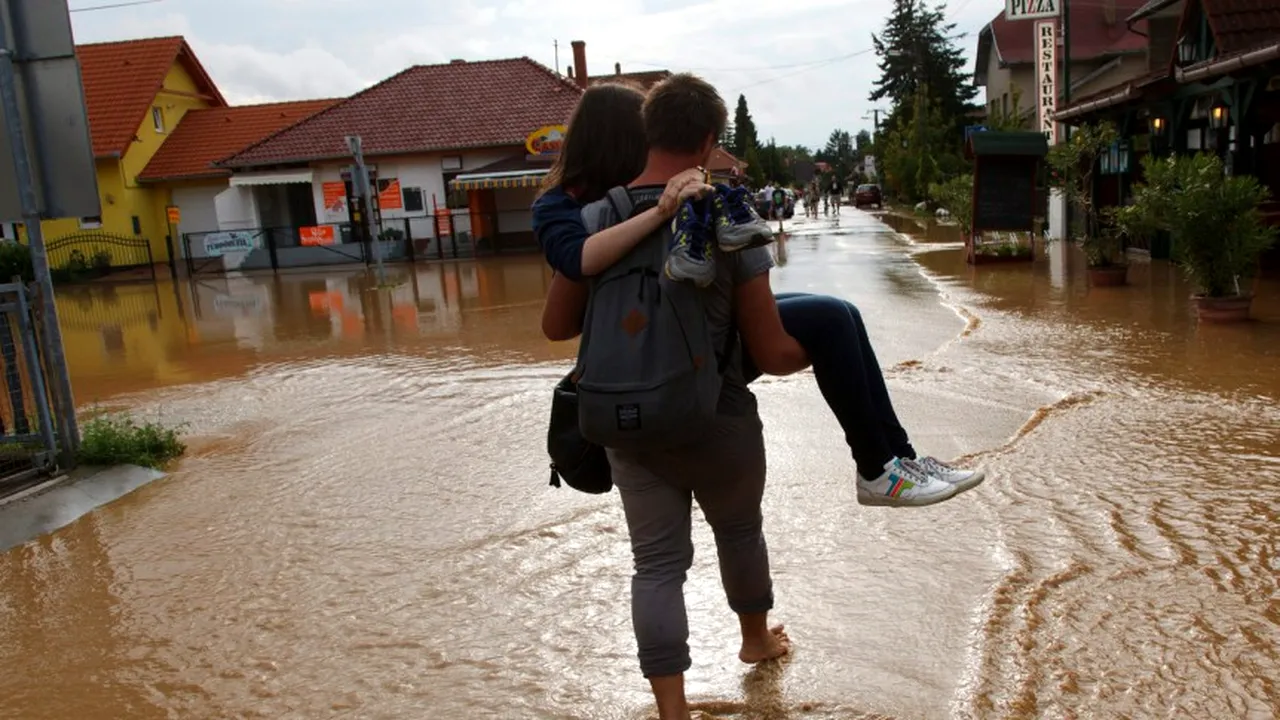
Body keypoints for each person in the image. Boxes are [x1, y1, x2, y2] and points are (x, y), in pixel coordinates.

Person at [532, 82, 984, 506]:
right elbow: (562, 310)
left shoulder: (623, 200)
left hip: (667, 350)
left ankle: (895, 458)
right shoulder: (588, 213)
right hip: (669, 361)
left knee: (838, 312)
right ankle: (876, 468)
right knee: (829, 319)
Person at [542, 73, 798, 720]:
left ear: (646, 133)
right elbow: (770, 349)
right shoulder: (730, 209)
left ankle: (672, 710)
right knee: (740, 532)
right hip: (717, 417)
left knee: (655, 566)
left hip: (627, 422)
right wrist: (820, 348)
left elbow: (557, 325)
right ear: (710, 140)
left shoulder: (594, 219)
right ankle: (754, 641)